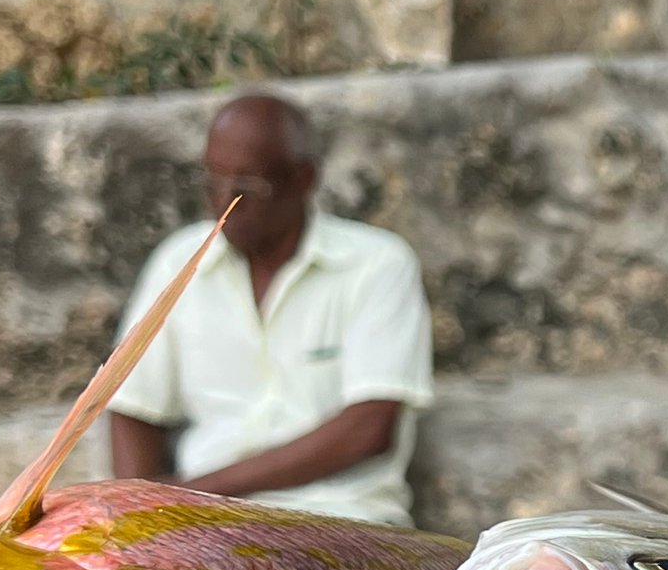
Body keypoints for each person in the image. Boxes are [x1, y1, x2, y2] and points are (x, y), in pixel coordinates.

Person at [107, 92, 434, 527]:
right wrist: (141, 520)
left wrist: (190, 496)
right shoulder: (179, 261)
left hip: (341, 521)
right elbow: (133, 408)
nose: (223, 202)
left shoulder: (377, 264)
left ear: (304, 179)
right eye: (212, 181)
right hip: (203, 526)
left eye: (246, 188)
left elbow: (368, 429)